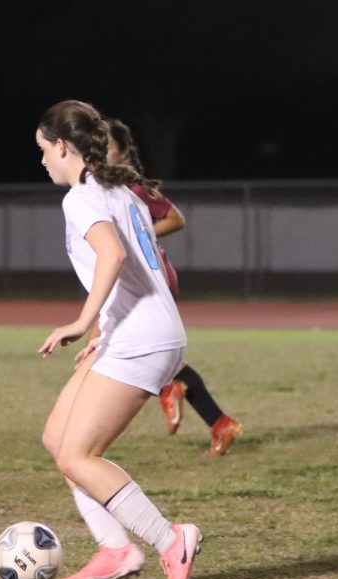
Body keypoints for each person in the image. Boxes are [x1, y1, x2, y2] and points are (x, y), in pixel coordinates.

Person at [33, 100, 201, 579]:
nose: (41, 161)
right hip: (138, 331)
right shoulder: (116, 189)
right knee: (57, 439)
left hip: (143, 339)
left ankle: (171, 541)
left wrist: (84, 320)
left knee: (78, 455)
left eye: (43, 150)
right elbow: (136, 264)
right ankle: (114, 549)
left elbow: (115, 254)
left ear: (63, 147)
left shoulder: (80, 198)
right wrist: (102, 330)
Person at [106, 118, 242, 457]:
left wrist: (138, 240)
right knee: (140, 350)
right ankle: (218, 421)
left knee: (121, 345)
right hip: (134, 280)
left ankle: (171, 388)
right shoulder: (101, 187)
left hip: (150, 279)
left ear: (123, 151)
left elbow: (175, 218)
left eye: (106, 146)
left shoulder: (131, 186)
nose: (99, 152)